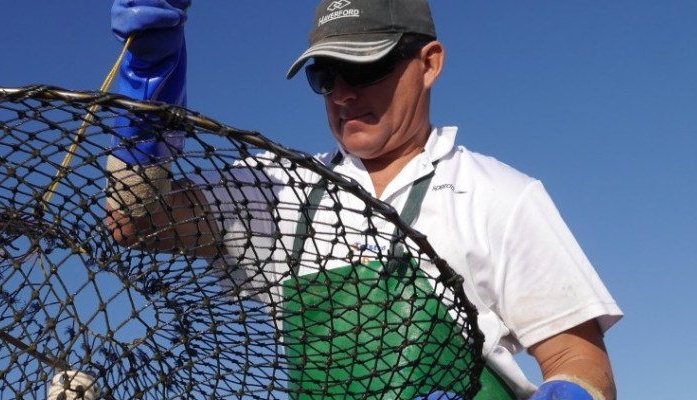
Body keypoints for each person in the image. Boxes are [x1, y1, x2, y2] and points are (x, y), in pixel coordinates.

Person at [52, 1, 623, 399]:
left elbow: (582, 363)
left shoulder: (500, 196)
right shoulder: (278, 189)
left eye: (365, 66)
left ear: (429, 63)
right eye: (325, 75)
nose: (344, 93)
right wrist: (147, 93)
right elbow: (136, 221)